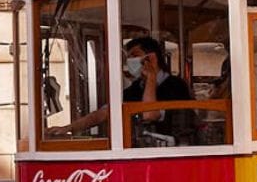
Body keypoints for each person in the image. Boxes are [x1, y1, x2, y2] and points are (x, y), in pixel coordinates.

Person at [48, 36, 191, 138]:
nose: (130, 61)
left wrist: (151, 77)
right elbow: (103, 113)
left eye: (135, 55)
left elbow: (149, 114)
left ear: (151, 58)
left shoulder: (176, 86)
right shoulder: (136, 88)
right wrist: (68, 128)